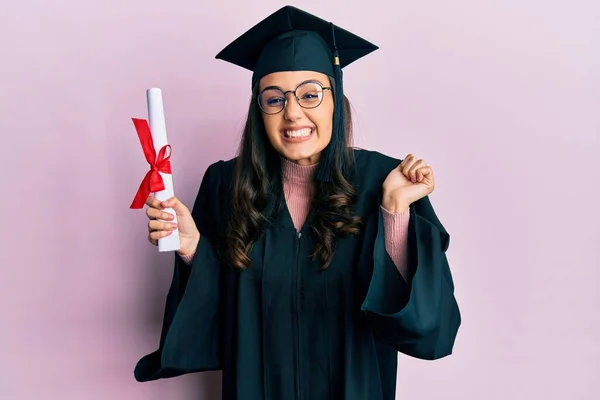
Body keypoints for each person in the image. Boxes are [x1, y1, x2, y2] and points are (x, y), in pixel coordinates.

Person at [133, 5, 461, 400]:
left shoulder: (384, 181)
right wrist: (192, 251)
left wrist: (394, 215)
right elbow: (220, 323)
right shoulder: (225, 185)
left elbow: (428, 329)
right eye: (274, 99)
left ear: (335, 99)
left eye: (310, 94)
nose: (292, 113)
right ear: (259, 110)